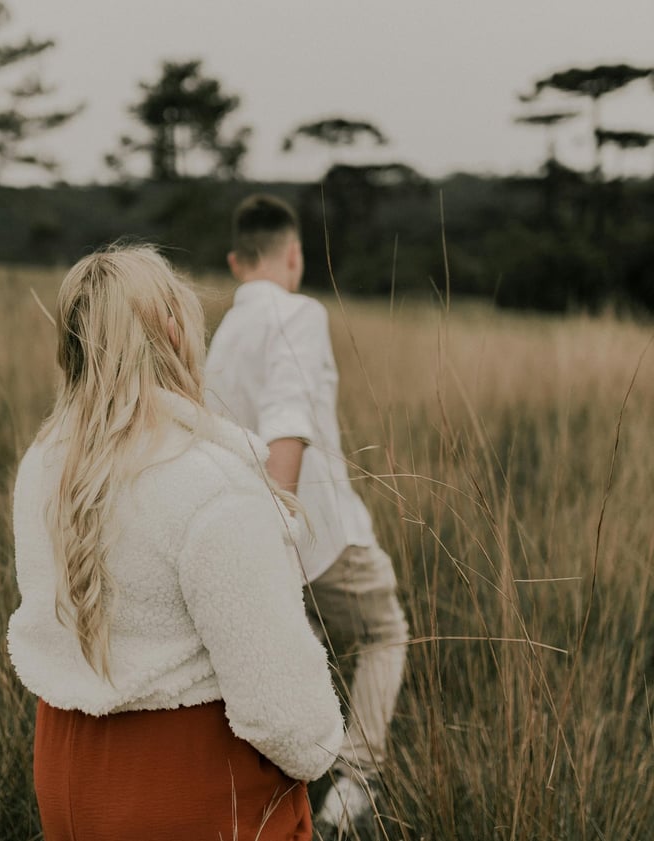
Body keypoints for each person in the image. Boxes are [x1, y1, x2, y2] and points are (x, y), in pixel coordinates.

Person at [7, 244, 344, 841]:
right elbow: (282, 711)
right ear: (171, 331)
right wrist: (319, 748)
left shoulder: (44, 462)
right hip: (192, 789)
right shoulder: (210, 483)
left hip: (63, 774)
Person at [204, 194, 410, 831]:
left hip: (240, 537)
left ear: (238, 261)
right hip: (314, 534)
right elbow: (288, 424)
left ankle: (277, 801)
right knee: (384, 632)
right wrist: (281, 545)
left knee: (296, 659)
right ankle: (353, 789)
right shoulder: (300, 312)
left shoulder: (220, 340)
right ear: (293, 256)